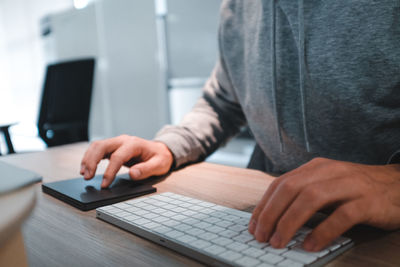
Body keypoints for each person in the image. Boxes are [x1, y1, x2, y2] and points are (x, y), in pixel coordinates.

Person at [80, 1, 400, 252]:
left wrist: (393, 180)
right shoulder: (237, 6)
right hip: (267, 205)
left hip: (378, 230)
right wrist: (170, 146)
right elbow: (223, 100)